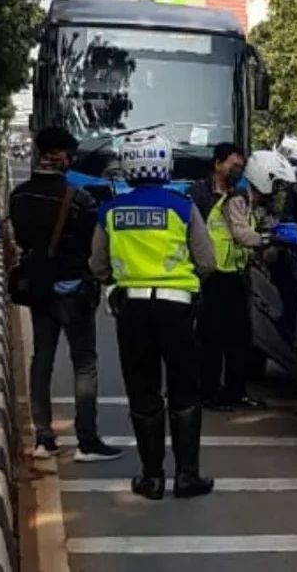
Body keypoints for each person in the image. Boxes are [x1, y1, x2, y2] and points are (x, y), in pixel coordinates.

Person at [89, 132, 217, 500]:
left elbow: (97, 264)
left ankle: (152, 478)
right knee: (185, 390)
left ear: (127, 166)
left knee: (143, 391)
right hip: (178, 308)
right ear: (166, 165)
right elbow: (206, 261)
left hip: (132, 310)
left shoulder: (111, 210)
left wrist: (119, 278)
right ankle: (187, 476)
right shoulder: (182, 206)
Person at [9, 127, 121, 463]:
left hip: (39, 289)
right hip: (74, 289)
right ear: (66, 158)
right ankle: (86, 441)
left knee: (42, 359)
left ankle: (44, 438)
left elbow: (21, 240)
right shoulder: (81, 199)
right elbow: (94, 244)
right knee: (84, 362)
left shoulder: (19, 196)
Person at [189, 144, 266, 411]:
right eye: (233, 165)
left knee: (240, 339)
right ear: (217, 164)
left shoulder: (240, 194)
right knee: (211, 339)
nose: (237, 170)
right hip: (210, 277)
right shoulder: (198, 194)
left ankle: (236, 392)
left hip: (236, 275)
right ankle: (208, 393)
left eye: (240, 166)